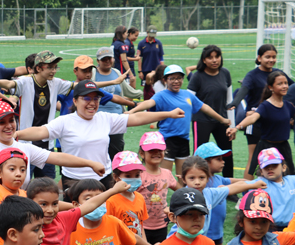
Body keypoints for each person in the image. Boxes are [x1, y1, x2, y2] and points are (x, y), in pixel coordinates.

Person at [16, 81, 185, 192]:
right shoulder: (65, 121)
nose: (92, 103)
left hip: (104, 178)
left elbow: (136, 118)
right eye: (86, 98)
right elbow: (40, 132)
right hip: (74, 181)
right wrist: (17, 134)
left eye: (96, 98)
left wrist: (168, 113)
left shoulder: (104, 118)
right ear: (75, 101)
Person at [128, 64, 230, 177]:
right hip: (167, 140)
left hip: (184, 140)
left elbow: (204, 107)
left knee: (183, 177)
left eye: (179, 78)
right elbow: (148, 103)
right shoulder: (161, 95)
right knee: (164, 176)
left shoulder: (187, 95)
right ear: (165, 80)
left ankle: (181, 195)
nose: (176, 81)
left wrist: (222, 119)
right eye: (172, 78)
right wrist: (132, 111)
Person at [0, 51, 71, 178]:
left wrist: (108, 83)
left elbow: (79, 86)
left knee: (48, 185)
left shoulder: (55, 83)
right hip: (25, 145)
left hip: (48, 145)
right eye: (50, 67)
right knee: (21, 184)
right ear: (38, 68)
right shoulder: (25, 82)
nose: (53, 70)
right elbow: (9, 84)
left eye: (55, 67)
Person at [228, 44, 293, 179]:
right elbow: (243, 90)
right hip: (254, 120)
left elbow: (292, 87)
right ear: (259, 58)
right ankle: (248, 191)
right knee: (254, 158)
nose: (271, 60)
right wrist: (235, 103)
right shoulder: (252, 75)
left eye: (274, 57)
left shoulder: (279, 75)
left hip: (274, 120)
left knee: (282, 162)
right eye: (267, 57)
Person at [188, 45, 235, 177]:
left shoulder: (225, 73)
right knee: (199, 156)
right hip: (202, 120)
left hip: (223, 121)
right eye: (210, 57)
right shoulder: (197, 76)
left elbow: (229, 102)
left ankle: (230, 190)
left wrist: (232, 126)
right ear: (204, 60)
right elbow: (188, 100)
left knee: (227, 154)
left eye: (217, 56)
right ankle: (198, 187)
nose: (214, 60)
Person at [194, 142, 240, 245]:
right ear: (204, 162)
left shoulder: (219, 179)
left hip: (218, 231)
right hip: (202, 232)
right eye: (218, 159)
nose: (223, 161)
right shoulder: (198, 185)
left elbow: (237, 182)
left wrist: (254, 182)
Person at [95, 46, 129, 161]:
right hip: (99, 119)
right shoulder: (94, 73)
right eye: (104, 59)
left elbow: (125, 90)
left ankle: (115, 177)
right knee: (99, 152)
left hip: (117, 119)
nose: (108, 61)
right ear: (98, 61)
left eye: (110, 58)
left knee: (116, 152)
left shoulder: (116, 72)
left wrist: (139, 95)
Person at [253, 147, 295, 230]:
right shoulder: (259, 183)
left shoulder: (292, 180)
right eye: (266, 166)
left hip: (292, 227)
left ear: (284, 167)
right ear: (261, 171)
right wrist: (224, 187)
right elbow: (243, 184)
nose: (270, 168)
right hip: (270, 228)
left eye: (275, 165)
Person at [138, 26, 164, 99]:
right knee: (147, 88)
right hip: (146, 70)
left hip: (157, 70)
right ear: (147, 32)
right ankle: (147, 104)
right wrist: (140, 71)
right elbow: (139, 58)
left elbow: (161, 57)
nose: (152, 37)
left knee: (157, 87)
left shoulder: (158, 43)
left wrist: (162, 70)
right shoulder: (141, 43)